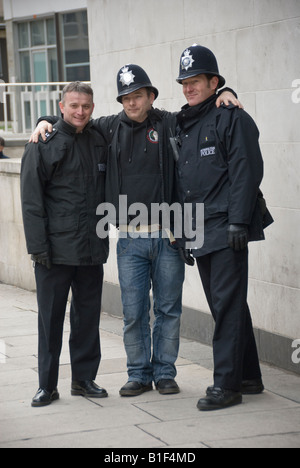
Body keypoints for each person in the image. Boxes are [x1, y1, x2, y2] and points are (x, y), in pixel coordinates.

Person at [30, 67, 241, 397]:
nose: (131, 102)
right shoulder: (108, 128)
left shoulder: (170, 122)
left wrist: (227, 96)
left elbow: (200, 112)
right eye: (125, 98)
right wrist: (44, 121)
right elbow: (73, 121)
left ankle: (165, 373)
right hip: (129, 237)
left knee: (168, 310)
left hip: (167, 233)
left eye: (137, 96)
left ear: (151, 96)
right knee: (133, 312)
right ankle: (138, 373)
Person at [173, 45, 273, 411]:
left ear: (214, 82)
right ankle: (248, 376)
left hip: (227, 227)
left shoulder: (232, 118)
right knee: (226, 306)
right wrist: (183, 232)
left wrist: (238, 221)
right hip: (200, 230)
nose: (188, 88)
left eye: (195, 81)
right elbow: (185, 185)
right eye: (184, 82)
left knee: (227, 306)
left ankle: (226, 386)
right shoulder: (185, 122)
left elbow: (248, 171)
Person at [21, 82, 109, 407]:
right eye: (73, 106)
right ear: (61, 107)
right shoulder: (42, 143)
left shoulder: (100, 139)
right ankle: (47, 385)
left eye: (85, 106)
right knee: (50, 321)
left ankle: (84, 380)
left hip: (91, 249)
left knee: (87, 319)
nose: (80, 112)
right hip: (53, 254)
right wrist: (38, 249)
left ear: (93, 107)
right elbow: (31, 202)